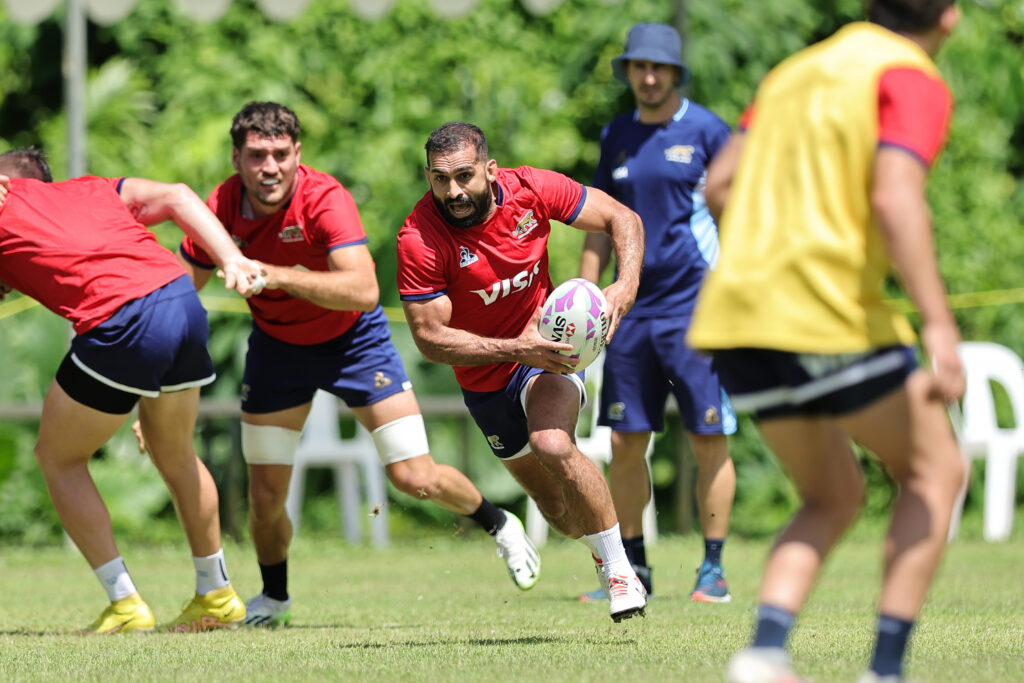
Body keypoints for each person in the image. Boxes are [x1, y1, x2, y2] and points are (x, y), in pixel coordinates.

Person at [177, 102, 541, 629]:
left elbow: (363, 290)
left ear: (297, 155)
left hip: (355, 342)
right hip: (278, 351)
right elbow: (181, 294)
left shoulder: (325, 199)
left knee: (412, 476)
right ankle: (274, 598)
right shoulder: (221, 206)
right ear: (237, 158)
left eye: (281, 154)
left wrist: (277, 275)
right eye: (257, 155)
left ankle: (499, 521)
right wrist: (155, 378)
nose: (270, 167)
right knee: (264, 495)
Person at [687, 2, 965, 680]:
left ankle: (764, 653)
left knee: (833, 494)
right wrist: (938, 322)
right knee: (936, 472)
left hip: (737, 318)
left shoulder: (794, 71)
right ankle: (886, 668)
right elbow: (895, 198)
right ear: (949, 17)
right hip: (826, 311)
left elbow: (719, 185)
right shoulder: (910, 76)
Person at [0, 147, 264, 634]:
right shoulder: (91, 188)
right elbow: (179, 196)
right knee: (176, 453)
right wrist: (231, 257)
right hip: (181, 300)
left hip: (123, 319)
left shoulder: (5, 201)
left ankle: (125, 604)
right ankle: (218, 593)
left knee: (58, 458)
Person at [397, 122, 648, 623]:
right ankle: (575, 533)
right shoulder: (419, 237)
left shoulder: (532, 189)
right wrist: (515, 349)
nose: (454, 191)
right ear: (428, 177)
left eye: (465, 176)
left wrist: (624, 287)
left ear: (490, 170)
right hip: (486, 378)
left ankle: (621, 574)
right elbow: (429, 339)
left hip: (551, 355)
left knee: (554, 443)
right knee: (559, 514)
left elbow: (623, 218)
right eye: (440, 180)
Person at [578, 22, 737, 603]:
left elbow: (735, 216)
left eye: (658, 68)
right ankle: (634, 569)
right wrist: (585, 298)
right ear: (629, 74)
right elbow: (598, 223)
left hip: (697, 311)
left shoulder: (707, 130)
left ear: (674, 73)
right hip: (628, 315)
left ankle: (713, 569)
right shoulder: (616, 133)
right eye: (638, 68)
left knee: (707, 436)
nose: (647, 77)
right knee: (626, 441)